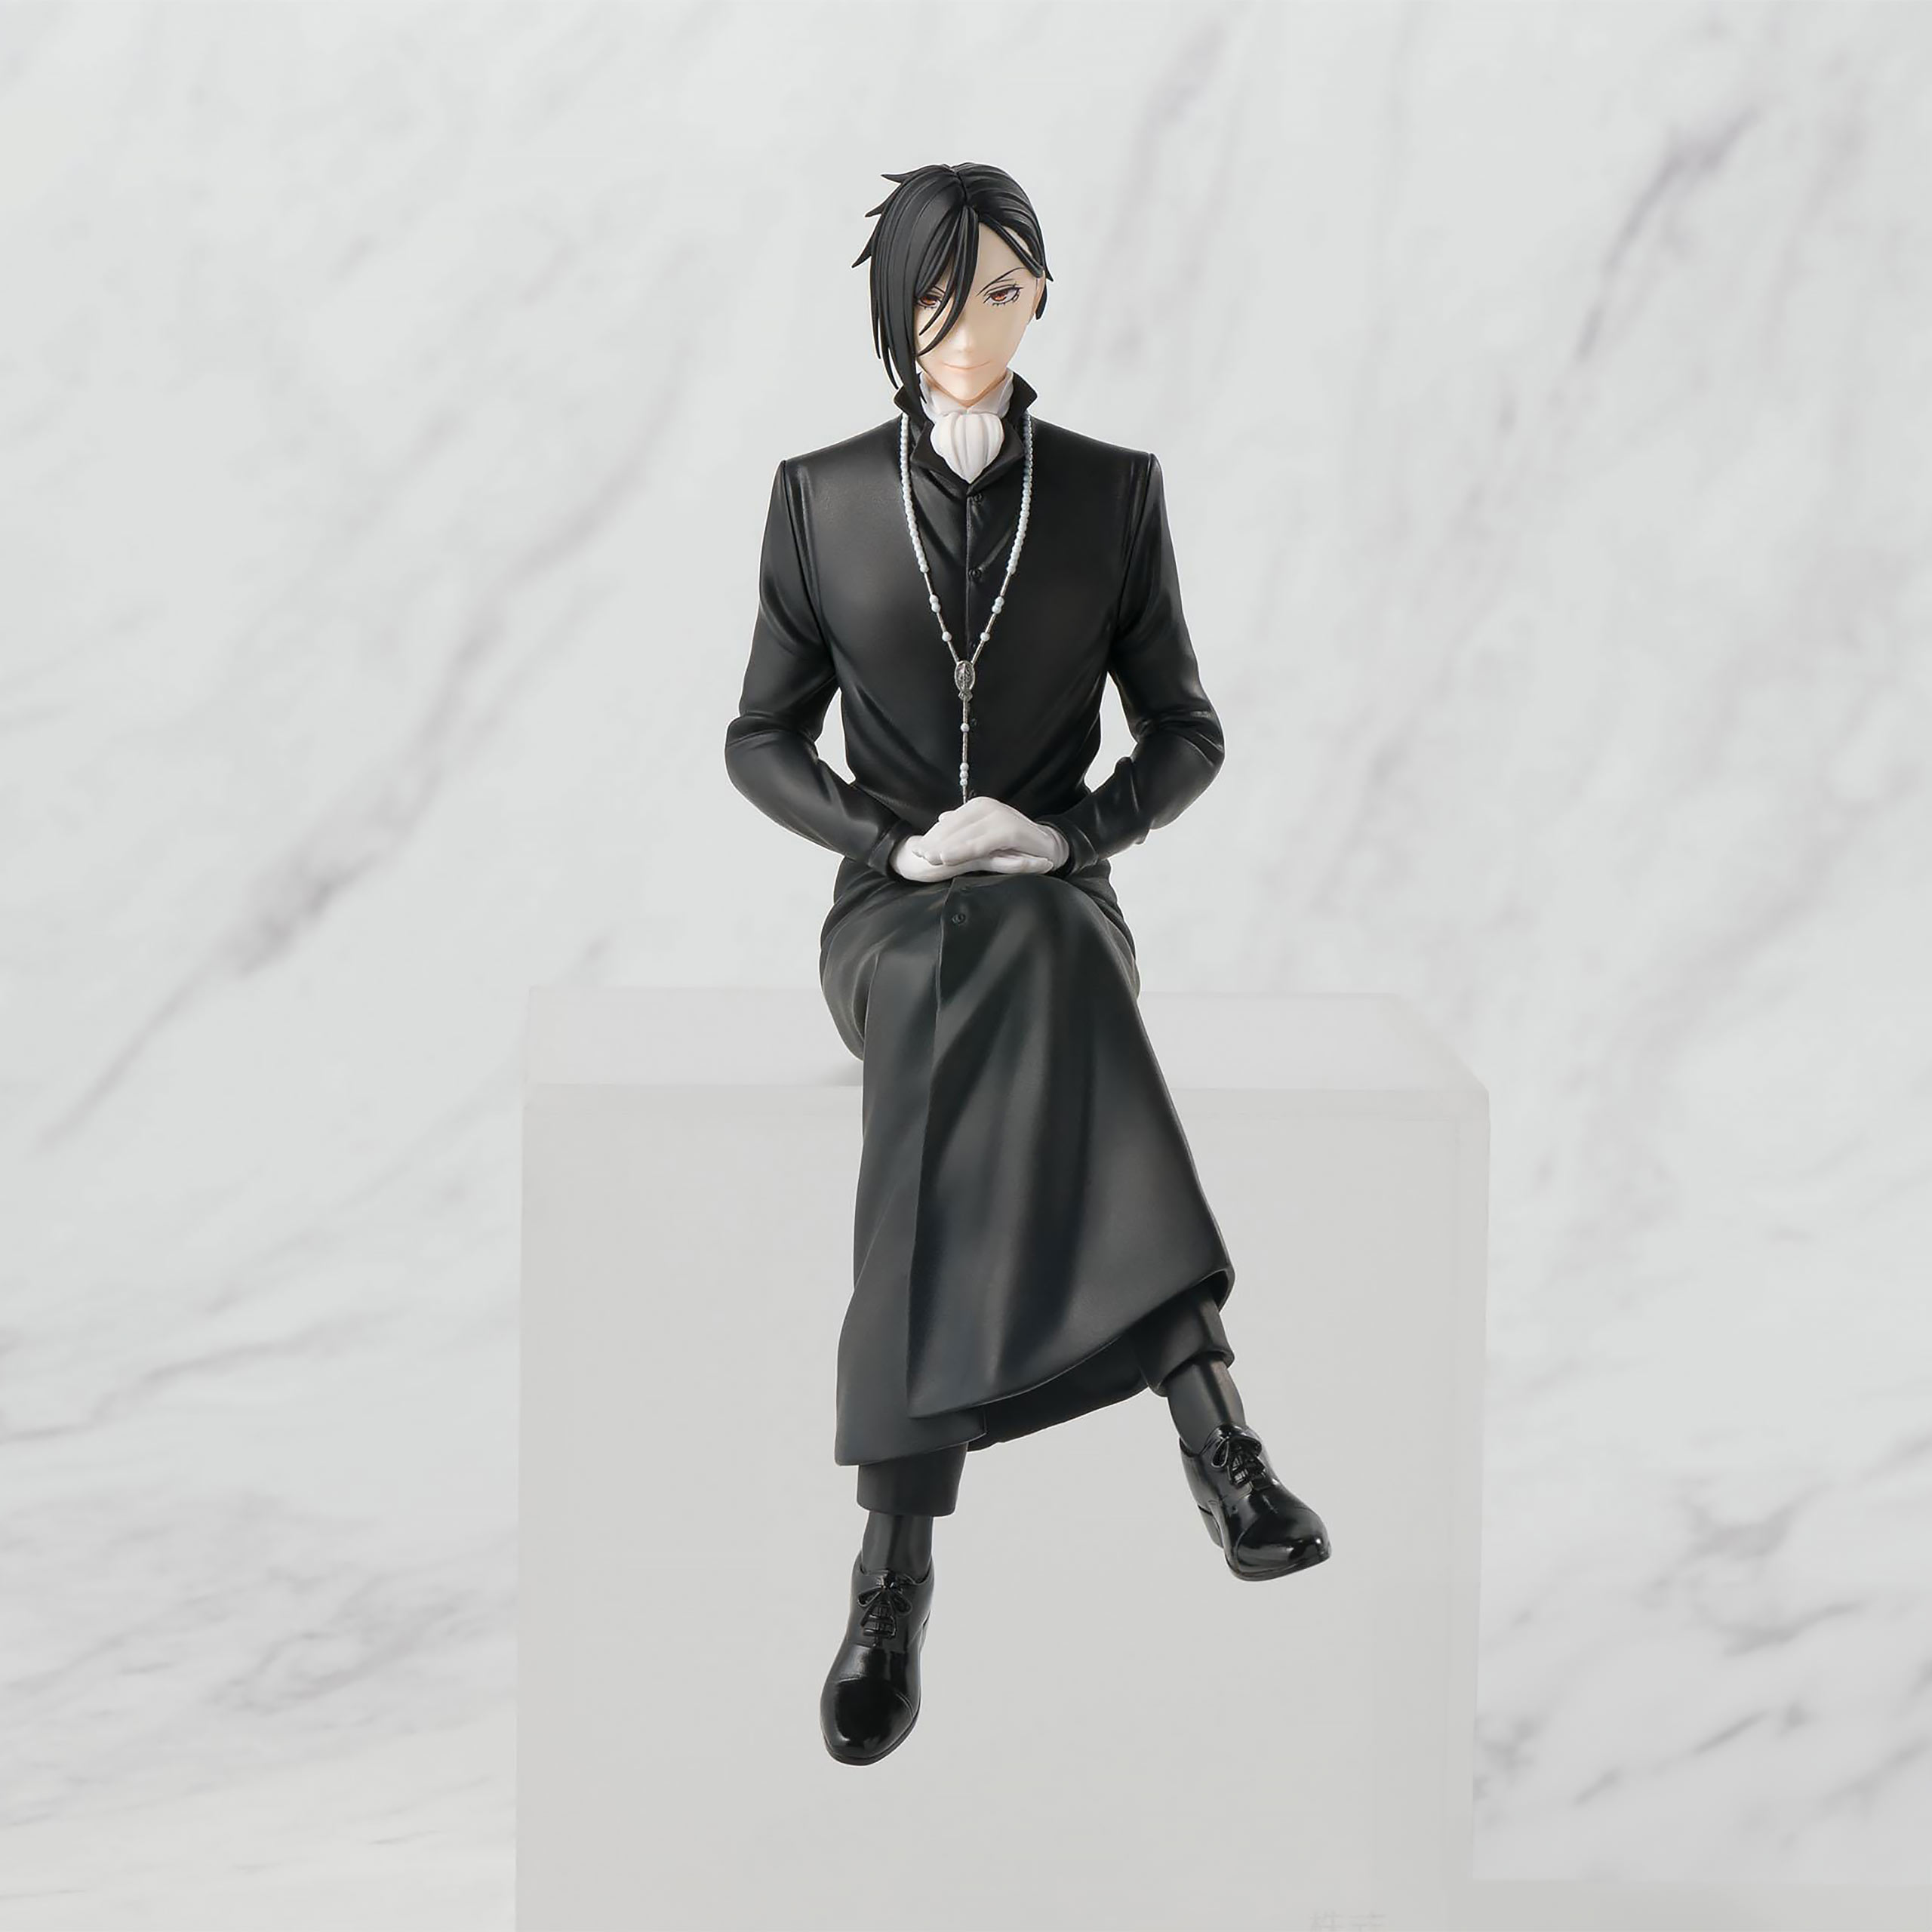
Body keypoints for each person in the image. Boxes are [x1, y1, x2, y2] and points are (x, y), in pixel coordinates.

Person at [724, 162, 1332, 1768]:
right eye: (936, 294)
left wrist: (1070, 838)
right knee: (954, 978)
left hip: (1061, 901)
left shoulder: (1113, 492)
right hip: (888, 917)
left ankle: (895, 1565)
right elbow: (757, 737)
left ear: (1042, 294)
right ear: (892, 306)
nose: (966, 326)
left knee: (1049, 941)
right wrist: (892, 841)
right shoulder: (819, 494)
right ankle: (1210, 1424)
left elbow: (1185, 728)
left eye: (999, 290)